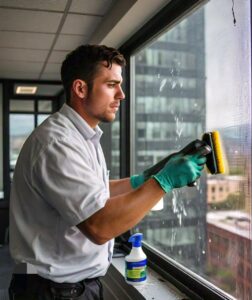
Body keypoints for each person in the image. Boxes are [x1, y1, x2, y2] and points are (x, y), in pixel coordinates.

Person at [9, 44, 206, 300]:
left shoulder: (81, 136)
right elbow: (100, 226)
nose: (122, 94)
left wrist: (144, 178)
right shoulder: (57, 144)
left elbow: (95, 192)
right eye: (112, 84)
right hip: (54, 292)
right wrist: (162, 181)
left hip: (67, 288)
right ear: (80, 88)